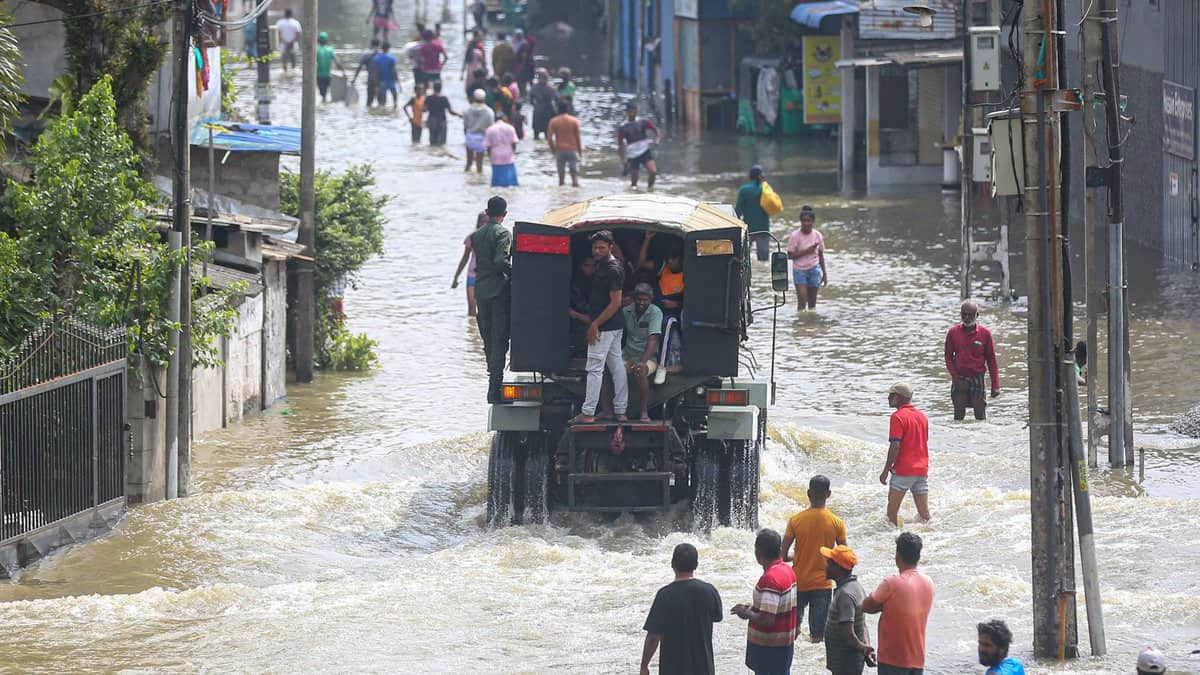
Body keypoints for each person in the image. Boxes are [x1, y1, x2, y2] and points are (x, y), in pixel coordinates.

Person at [782, 474, 848, 643]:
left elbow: (782, 554)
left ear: (808, 493)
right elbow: (844, 557)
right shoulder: (837, 523)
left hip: (798, 581)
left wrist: (796, 557)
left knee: (792, 632)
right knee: (818, 637)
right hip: (823, 584)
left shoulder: (795, 520)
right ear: (829, 494)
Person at [640, 543, 723, 675]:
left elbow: (653, 637)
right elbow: (717, 617)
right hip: (704, 668)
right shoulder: (709, 591)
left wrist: (644, 666)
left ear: (672, 564)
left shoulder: (665, 595)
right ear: (696, 565)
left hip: (672, 668)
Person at [573, 230, 628, 424]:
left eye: (601, 248)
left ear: (610, 247)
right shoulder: (606, 266)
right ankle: (620, 411)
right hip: (613, 325)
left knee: (595, 368)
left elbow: (615, 303)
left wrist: (595, 324)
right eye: (595, 247)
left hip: (605, 326)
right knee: (616, 365)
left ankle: (588, 412)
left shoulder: (612, 270)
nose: (597, 251)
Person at [862, 532, 936, 675]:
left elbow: (866, 606)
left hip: (892, 660)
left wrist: (883, 605)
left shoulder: (891, 583)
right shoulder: (929, 583)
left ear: (897, 556)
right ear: (918, 557)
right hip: (918, 659)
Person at [731, 529, 798, 675]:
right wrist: (753, 608)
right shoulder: (788, 571)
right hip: (783, 647)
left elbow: (767, 620)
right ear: (780, 550)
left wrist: (746, 612)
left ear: (758, 554)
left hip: (769, 651)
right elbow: (775, 607)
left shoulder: (770, 579)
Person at [470, 197, 513, 403]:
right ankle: (495, 390)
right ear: (505, 214)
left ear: (487, 212)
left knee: (487, 340)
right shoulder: (503, 233)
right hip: (498, 292)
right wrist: (515, 274)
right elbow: (500, 261)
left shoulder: (476, 235)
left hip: (481, 291)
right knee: (499, 340)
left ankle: (492, 383)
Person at [880, 382, 931, 526]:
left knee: (891, 515)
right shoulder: (922, 416)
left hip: (903, 471)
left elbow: (895, 445)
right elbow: (923, 441)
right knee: (924, 514)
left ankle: (892, 543)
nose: (888, 398)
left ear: (901, 398)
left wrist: (885, 470)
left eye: (892, 395)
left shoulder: (897, 416)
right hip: (921, 470)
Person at [821, 545, 876, 675]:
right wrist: (866, 647)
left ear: (838, 568)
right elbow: (863, 625)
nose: (825, 566)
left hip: (846, 663)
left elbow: (848, 634)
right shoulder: (856, 587)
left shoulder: (845, 595)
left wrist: (864, 649)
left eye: (829, 562)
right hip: (850, 661)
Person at [944, 301, 1001, 420]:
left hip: (977, 377)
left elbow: (991, 361)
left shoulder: (985, 334)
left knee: (980, 415)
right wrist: (955, 378)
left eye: (970, 315)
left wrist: (995, 385)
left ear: (977, 315)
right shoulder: (953, 333)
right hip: (959, 377)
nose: (967, 317)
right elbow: (948, 357)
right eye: (964, 314)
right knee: (958, 414)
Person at [622, 283, 663, 422]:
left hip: (648, 358)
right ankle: (613, 411)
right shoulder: (626, 311)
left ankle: (643, 412)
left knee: (640, 371)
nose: (642, 303)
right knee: (611, 370)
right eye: (639, 299)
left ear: (650, 299)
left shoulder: (655, 312)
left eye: (645, 300)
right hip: (627, 355)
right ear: (634, 298)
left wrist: (642, 362)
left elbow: (653, 341)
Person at [786, 205, 828, 311]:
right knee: (802, 300)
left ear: (813, 222)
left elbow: (821, 255)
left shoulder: (817, 235)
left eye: (808, 221)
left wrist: (825, 274)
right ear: (800, 222)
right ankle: (800, 323)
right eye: (804, 221)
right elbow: (790, 255)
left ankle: (810, 324)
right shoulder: (795, 236)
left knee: (812, 302)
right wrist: (806, 251)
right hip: (799, 270)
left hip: (814, 269)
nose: (806, 223)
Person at [452, 211, 488, 317]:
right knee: (472, 305)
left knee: (484, 306)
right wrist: (456, 277)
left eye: (486, 222)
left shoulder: (493, 237)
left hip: (486, 274)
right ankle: (471, 330)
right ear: (478, 223)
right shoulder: (472, 237)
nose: (484, 224)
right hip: (472, 274)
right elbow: (465, 258)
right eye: (482, 222)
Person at [618, 102, 659, 190]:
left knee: (653, 171)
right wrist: (623, 160)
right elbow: (620, 144)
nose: (633, 112)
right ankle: (634, 195)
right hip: (632, 155)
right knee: (634, 183)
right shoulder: (623, 127)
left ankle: (650, 189)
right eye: (631, 111)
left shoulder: (643, 122)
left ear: (637, 111)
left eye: (634, 110)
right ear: (627, 112)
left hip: (644, 151)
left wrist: (657, 140)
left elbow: (656, 130)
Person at [736, 165, 772, 262]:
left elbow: (738, 211)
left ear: (750, 176)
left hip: (749, 229)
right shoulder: (766, 189)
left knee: (743, 259)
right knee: (764, 260)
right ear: (761, 176)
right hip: (764, 229)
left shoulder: (744, 190)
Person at [547, 101, 583, 187]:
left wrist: (553, 150)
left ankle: (562, 199)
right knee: (574, 178)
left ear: (557, 109)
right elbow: (578, 138)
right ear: (568, 108)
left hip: (560, 150)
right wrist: (580, 152)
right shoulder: (574, 121)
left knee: (561, 180)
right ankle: (576, 197)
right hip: (572, 150)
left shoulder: (553, 121)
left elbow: (549, 139)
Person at [485, 112, 519, 187]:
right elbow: (514, 142)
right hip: (508, 154)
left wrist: (490, 156)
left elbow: (488, 146)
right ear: (504, 118)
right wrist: (513, 153)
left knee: (496, 180)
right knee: (511, 181)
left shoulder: (490, 129)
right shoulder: (510, 128)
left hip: (495, 154)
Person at [464, 89, 494, 173]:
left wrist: (466, 137)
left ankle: (466, 180)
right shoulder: (489, 111)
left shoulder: (468, 110)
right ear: (484, 99)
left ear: (473, 98)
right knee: (479, 165)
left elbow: (465, 126)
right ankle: (479, 182)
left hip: (470, 136)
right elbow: (491, 128)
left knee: (468, 163)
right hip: (481, 137)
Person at [424, 81, 459, 146]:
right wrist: (459, 115)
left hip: (432, 120)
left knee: (432, 142)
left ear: (433, 88)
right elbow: (450, 111)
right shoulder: (444, 98)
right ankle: (440, 154)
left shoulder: (429, 98)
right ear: (441, 88)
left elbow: (424, 110)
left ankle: (432, 154)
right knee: (442, 143)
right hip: (441, 121)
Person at [529, 68, 558, 140]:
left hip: (542, 110)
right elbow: (557, 99)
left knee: (545, 132)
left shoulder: (535, 87)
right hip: (544, 110)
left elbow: (531, 100)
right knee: (541, 133)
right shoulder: (550, 87)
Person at [315, 33, 344, 102]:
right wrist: (343, 72)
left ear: (318, 40)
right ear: (326, 41)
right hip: (328, 75)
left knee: (322, 93)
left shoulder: (316, 50)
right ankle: (325, 102)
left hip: (319, 75)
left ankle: (323, 103)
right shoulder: (330, 50)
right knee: (325, 92)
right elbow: (337, 62)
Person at [352, 39, 381, 107]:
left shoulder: (366, 54)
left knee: (369, 101)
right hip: (380, 80)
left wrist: (354, 79)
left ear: (371, 44)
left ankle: (368, 115)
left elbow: (359, 67)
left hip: (371, 79)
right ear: (379, 45)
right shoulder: (381, 54)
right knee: (381, 102)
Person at [372, 41, 399, 107]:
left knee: (383, 101)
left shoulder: (377, 59)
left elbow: (376, 72)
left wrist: (376, 85)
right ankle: (394, 109)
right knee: (395, 99)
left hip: (382, 82)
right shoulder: (392, 58)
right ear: (389, 48)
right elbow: (394, 71)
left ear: (381, 48)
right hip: (391, 81)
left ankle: (383, 112)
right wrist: (398, 82)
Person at [512, 28, 537, 96]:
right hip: (522, 64)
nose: (517, 36)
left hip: (525, 65)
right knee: (524, 81)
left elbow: (524, 56)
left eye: (519, 35)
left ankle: (530, 94)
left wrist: (521, 65)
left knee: (527, 81)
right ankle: (525, 94)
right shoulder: (515, 42)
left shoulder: (524, 43)